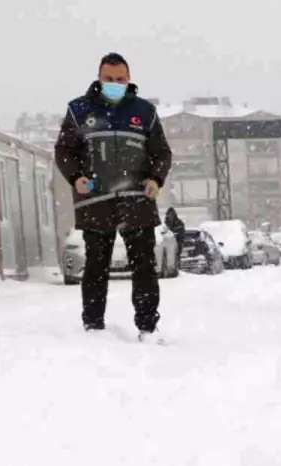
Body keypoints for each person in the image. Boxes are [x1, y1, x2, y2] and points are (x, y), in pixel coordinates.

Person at [55, 52, 172, 339]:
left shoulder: (145, 112)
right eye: (109, 79)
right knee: (96, 266)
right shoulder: (79, 111)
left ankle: (147, 327)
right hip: (96, 202)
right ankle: (93, 327)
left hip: (137, 202)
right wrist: (76, 178)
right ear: (99, 78)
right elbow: (64, 151)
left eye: (120, 79)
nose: (115, 84)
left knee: (144, 267)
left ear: (129, 79)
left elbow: (161, 153)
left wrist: (156, 179)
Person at [164, 206, 186, 271]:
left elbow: (182, 234)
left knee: (176, 257)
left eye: (171, 214)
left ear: (174, 215)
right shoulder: (165, 223)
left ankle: (177, 269)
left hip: (177, 243)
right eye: (169, 214)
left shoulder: (179, 223)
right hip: (168, 244)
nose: (170, 216)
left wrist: (179, 244)